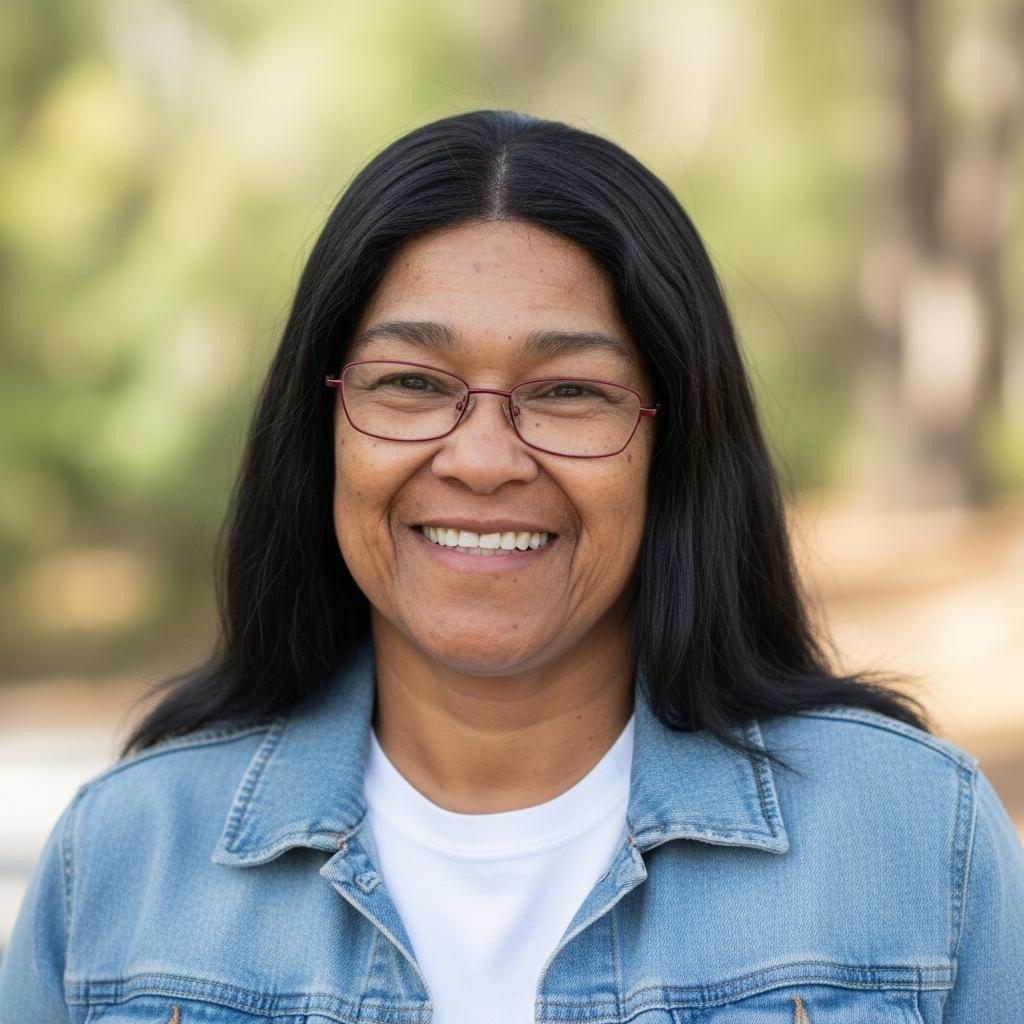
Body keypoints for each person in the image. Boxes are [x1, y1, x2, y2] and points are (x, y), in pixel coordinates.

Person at [1, 109, 1021, 1024]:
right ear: (323, 432)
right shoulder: (125, 858)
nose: (482, 459)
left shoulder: (912, 837)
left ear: (673, 446)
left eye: (570, 392)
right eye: (409, 381)